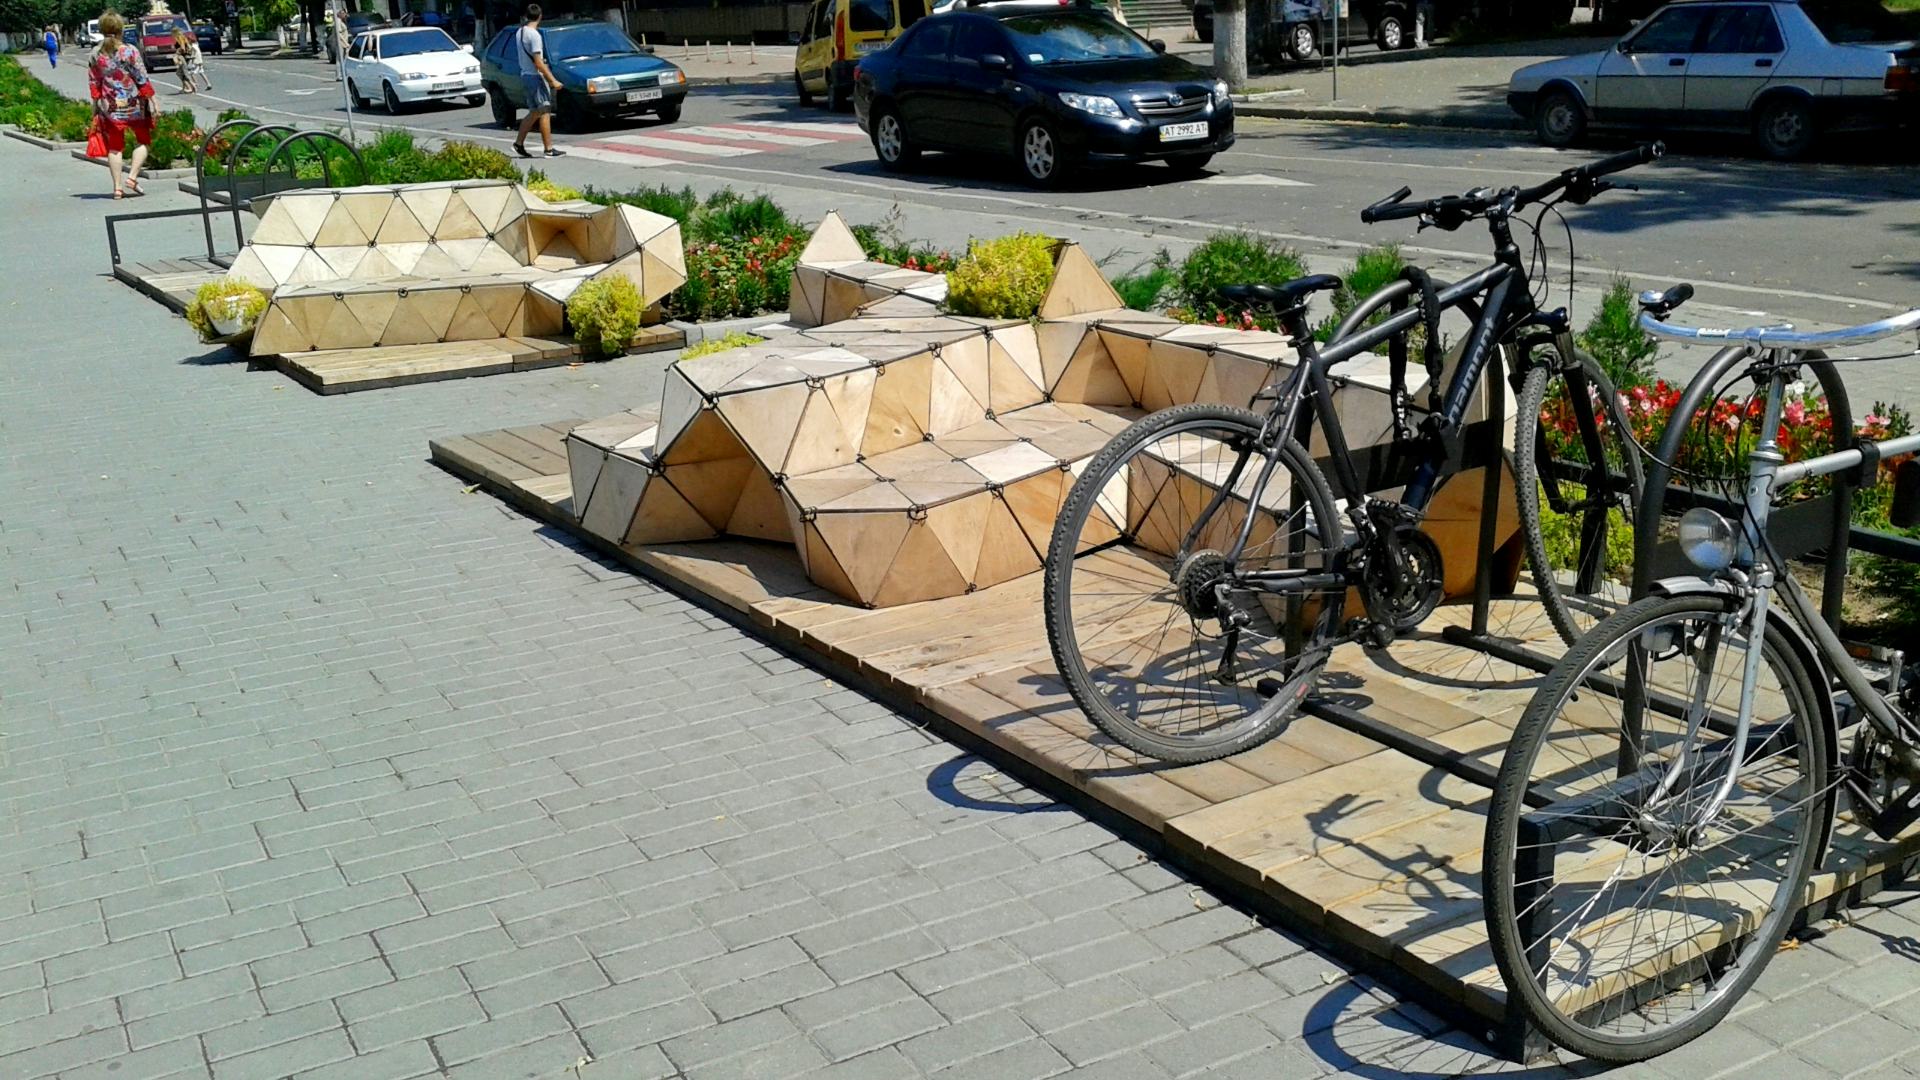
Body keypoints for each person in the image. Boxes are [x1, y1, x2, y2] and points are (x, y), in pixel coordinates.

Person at [89, 12, 153, 200]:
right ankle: (132, 177)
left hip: (110, 106)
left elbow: (94, 82)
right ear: (120, 29)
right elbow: (141, 77)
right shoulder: (129, 51)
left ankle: (117, 188)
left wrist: (95, 105)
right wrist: (152, 99)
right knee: (143, 140)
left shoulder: (96, 53)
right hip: (134, 104)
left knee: (115, 147)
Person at [512, 4, 563, 159]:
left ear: (526, 16)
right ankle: (548, 149)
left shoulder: (520, 32)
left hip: (525, 75)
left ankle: (519, 144)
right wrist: (552, 80)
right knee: (545, 110)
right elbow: (538, 62)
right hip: (535, 76)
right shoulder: (534, 35)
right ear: (540, 16)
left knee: (535, 112)